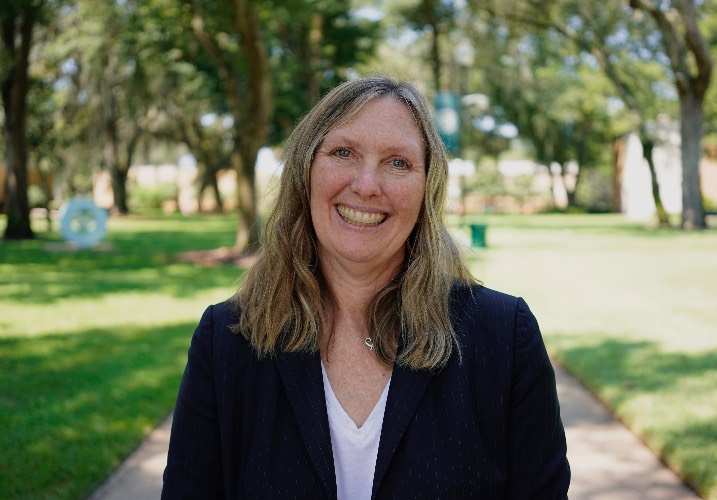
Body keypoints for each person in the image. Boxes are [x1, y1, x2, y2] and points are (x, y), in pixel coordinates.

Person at [162, 76, 570, 499]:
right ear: (306, 171)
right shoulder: (226, 339)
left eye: (398, 162)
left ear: (426, 189)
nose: (367, 185)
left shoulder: (504, 336)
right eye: (343, 153)